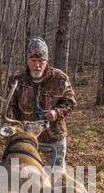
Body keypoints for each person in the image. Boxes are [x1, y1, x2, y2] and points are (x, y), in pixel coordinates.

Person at [7, 37, 76, 173]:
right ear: (27, 60)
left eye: (41, 61)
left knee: (57, 175)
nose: (37, 65)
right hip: (26, 138)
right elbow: (11, 107)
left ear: (46, 61)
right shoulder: (16, 79)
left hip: (53, 136)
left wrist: (57, 112)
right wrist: (10, 126)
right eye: (33, 61)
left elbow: (70, 102)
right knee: (25, 176)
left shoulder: (60, 78)